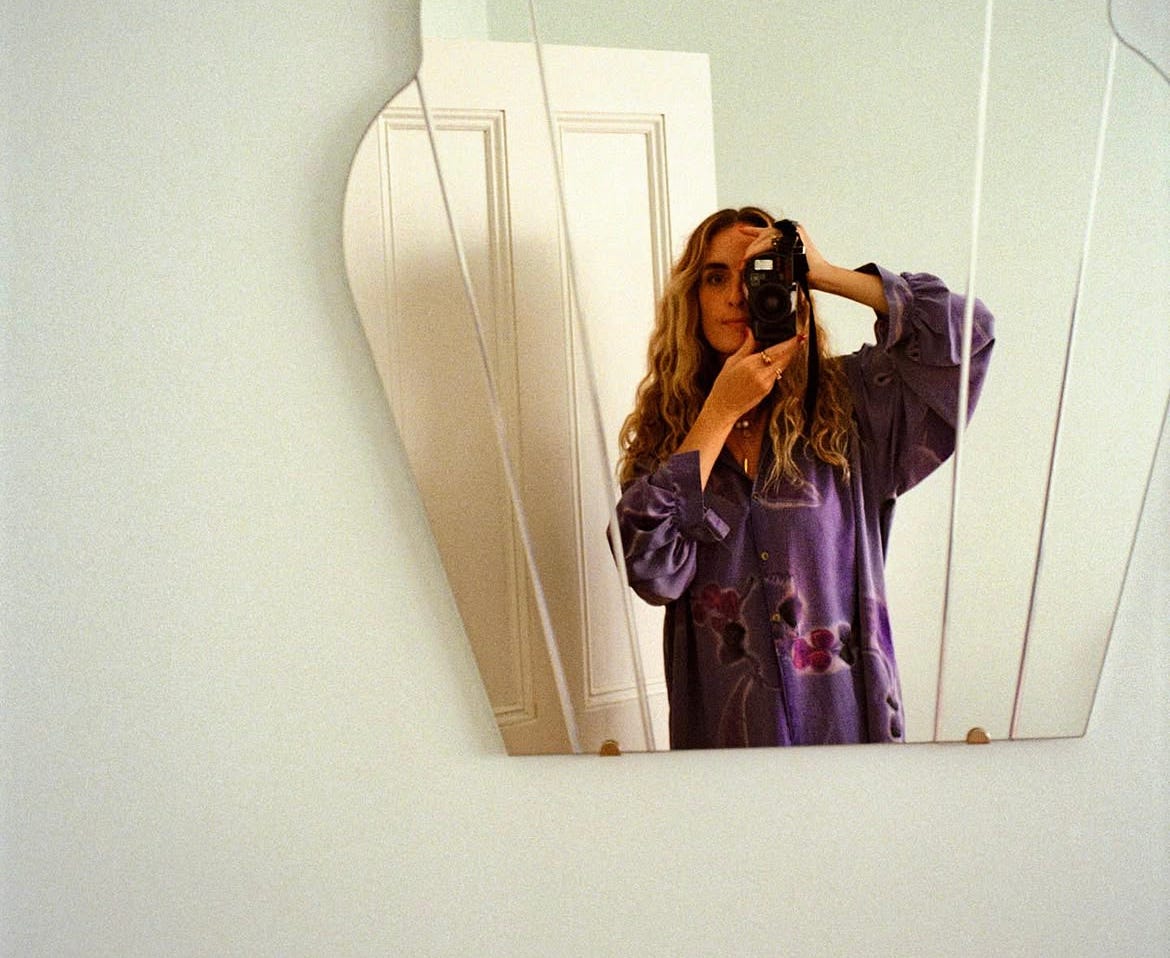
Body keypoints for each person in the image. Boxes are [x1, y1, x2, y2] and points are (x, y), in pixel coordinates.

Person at [615, 207, 995, 748]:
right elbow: (649, 570)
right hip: (725, 743)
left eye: (758, 274)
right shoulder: (667, 437)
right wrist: (718, 415)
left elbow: (967, 334)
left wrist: (826, 272)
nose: (737, 295)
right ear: (692, 299)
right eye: (716, 277)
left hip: (844, 725)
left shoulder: (848, 406)